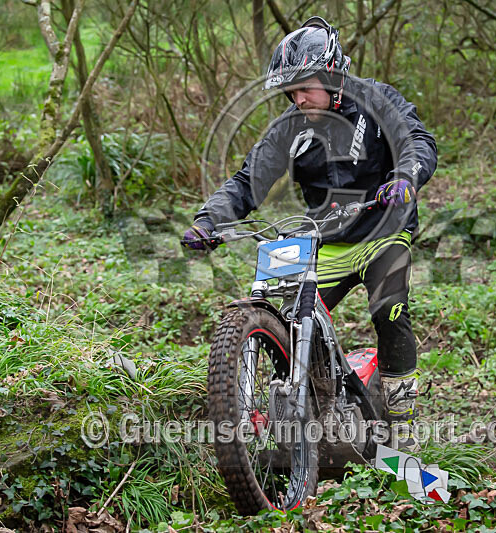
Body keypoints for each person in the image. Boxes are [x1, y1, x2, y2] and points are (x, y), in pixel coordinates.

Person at [181, 16, 437, 452]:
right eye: (291, 91)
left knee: (389, 310)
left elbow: (416, 140)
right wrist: (209, 221)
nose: (298, 99)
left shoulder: (377, 100)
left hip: (383, 230)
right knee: (295, 321)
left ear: (334, 75)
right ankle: (316, 411)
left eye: (306, 88)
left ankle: (402, 423)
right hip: (324, 239)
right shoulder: (289, 127)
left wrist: (406, 176)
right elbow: (247, 181)